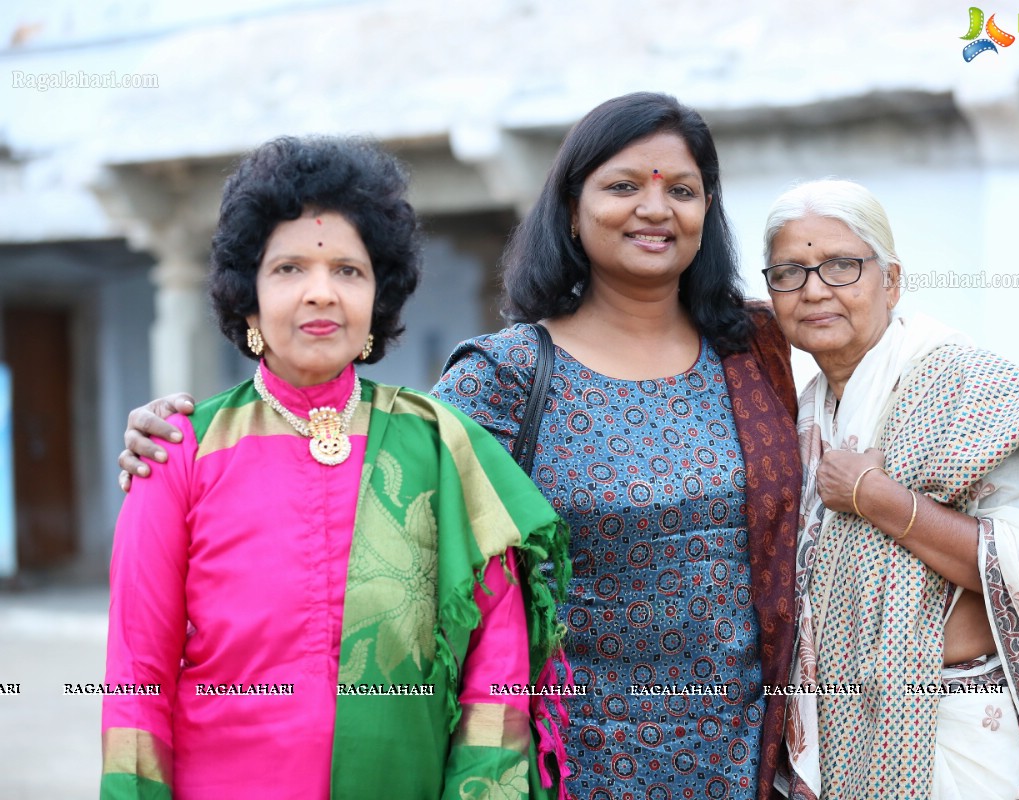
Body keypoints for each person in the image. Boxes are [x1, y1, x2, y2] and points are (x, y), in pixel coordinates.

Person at [119, 93, 804, 800]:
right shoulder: (498, 380)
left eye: (682, 191)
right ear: (571, 208)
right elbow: (140, 667)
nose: (655, 209)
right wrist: (176, 444)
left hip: (737, 750)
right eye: (624, 186)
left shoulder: (754, 351)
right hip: (579, 761)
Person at [102, 135, 568, 800]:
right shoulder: (180, 452)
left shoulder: (441, 448)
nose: (321, 293)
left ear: (378, 297)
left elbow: (497, 667)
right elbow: (135, 676)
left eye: (348, 271)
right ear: (249, 299)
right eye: (289, 269)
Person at [760, 179, 1019, 800]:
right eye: (789, 272)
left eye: (841, 266)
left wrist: (881, 499)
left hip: (955, 726)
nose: (814, 289)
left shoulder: (970, 388)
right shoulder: (799, 414)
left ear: (890, 280)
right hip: (846, 727)